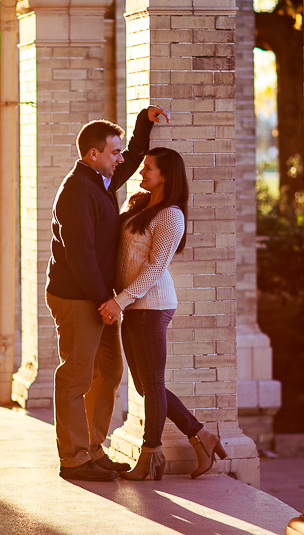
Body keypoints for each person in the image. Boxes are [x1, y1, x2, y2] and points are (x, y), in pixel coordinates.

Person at [47, 105, 170, 483]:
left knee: (110, 371)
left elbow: (132, 159)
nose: (121, 160)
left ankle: (92, 448)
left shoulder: (99, 180)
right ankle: (73, 459)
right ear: (93, 154)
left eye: (118, 152)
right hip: (77, 296)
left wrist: (142, 125)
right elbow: (79, 255)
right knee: (76, 376)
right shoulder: (77, 191)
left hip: (96, 297)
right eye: (113, 152)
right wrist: (107, 302)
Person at [98, 147, 227, 481]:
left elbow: (156, 268)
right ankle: (201, 435)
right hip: (135, 305)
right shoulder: (141, 204)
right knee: (145, 386)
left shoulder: (171, 215)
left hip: (151, 306)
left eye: (148, 169)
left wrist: (120, 301)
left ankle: (150, 457)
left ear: (166, 175)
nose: (142, 173)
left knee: (152, 383)